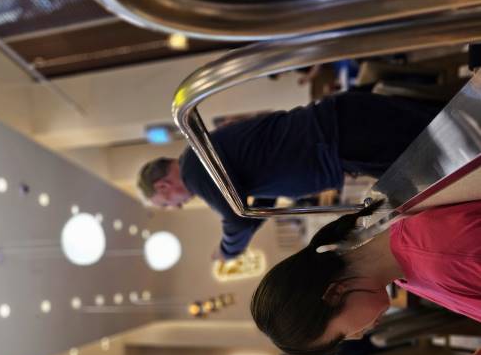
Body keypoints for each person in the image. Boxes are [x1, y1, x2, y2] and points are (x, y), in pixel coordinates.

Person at [250, 199, 481, 355]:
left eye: (343, 335)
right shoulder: (406, 272)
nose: (357, 336)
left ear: (335, 293)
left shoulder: (442, 255)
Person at [137, 91, 439, 260]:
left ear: (163, 186)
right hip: (340, 135)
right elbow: (255, 208)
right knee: (438, 141)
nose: (178, 206)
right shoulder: (200, 156)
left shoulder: (194, 169)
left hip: (341, 136)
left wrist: (225, 252)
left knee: (440, 152)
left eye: (168, 204)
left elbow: (236, 221)